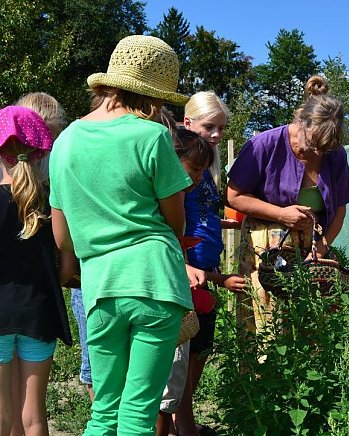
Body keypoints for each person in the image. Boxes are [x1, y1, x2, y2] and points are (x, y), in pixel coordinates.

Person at [48, 35, 195, 434]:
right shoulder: (152, 137)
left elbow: (62, 236)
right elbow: (175, 221)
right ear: (155, 96)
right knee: (138, 411)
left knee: (103, 409)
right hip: (154, 281)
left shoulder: (64, 141)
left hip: (98, 286)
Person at [226, 75, 349, 334]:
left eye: (324, 148)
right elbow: (234, 196)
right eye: (313, 144)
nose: (318, 153)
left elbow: (340, 209)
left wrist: (320, 247)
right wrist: (281, 214)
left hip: (311, 255)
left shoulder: (334, 154)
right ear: (301, 122)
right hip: (263, 253)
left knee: (310, 329)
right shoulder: (264, 144)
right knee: (264, 328)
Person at [174, 91, 246, 436]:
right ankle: (183, 425)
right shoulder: (182, 163)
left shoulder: (208, 164)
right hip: (190, 270)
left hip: (207, 266)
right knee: (183, 356)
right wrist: (192, 266)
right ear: (187, 124)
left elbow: (202, 214)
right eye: (210, 127)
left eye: (221, 128)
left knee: (199, 351)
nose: (217, 135)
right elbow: (174, 223)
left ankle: (184, 421)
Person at [0, 106, 73, 436]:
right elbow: (68, 263)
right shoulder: (53, 199)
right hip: (41, 312)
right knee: (34, 416)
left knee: (2, 414)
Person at [156, 126, 214, 436]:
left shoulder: (180, 195)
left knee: (168, 390)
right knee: (160, 391)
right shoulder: (164, 198)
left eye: (202, 171)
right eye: (194, 169)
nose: (198, 178)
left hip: (175, 300)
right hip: (163, 303)